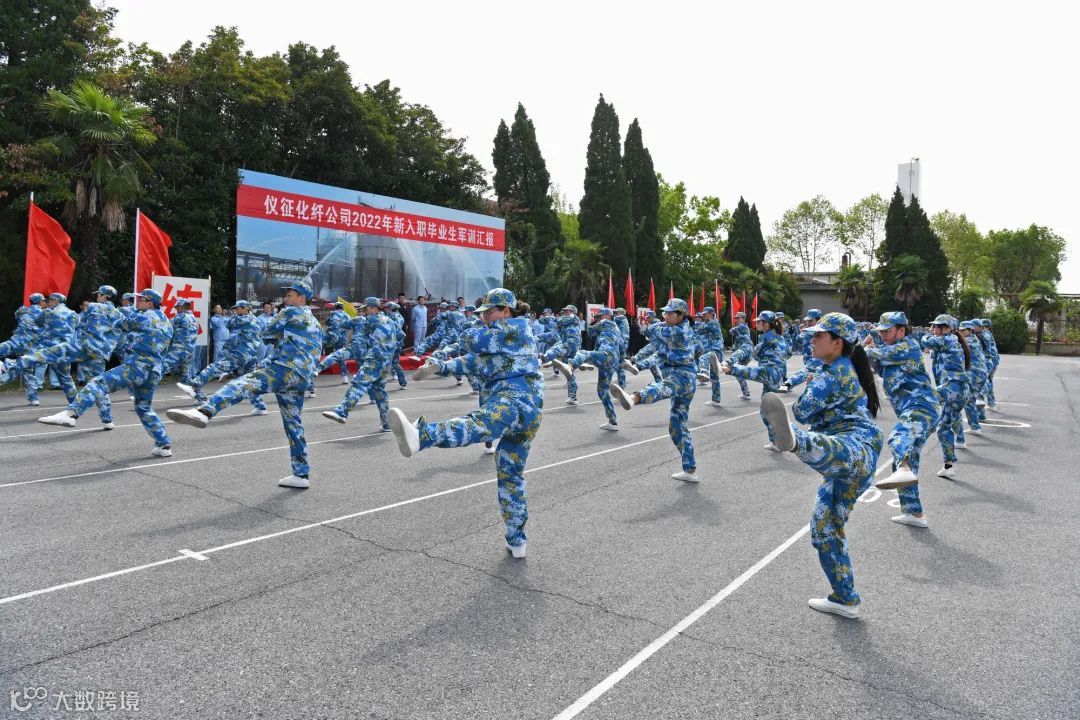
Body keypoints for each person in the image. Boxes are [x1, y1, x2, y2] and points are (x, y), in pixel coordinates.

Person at [388, 288, 543, 559]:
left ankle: (422, 435)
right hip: (529, 410)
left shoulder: (514, 328)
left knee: (477, 424)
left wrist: (466, 332)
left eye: (488, 312)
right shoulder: (504, 341)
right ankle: (516, 540)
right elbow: (477, 362)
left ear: (505, 310)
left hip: (515, 401)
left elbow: (470, 340)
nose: (484, 318)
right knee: (510, 474)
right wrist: (441, 367)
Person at [757, 312, 884, 619]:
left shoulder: (835, 372)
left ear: (837, 343)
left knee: (831, 448)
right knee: (823, 528)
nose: (811, 340)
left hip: (856, 448)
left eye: (818, 336)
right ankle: (845, 598)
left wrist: (807, 391)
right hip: (848, 461)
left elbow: (802, 410)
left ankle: (797, 442)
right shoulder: (838, 367)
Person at [167, 282, 323, 487]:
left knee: (243, 383)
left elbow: (266, 332)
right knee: (293, 424)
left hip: (286, 369)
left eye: (290, 295)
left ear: (302, 297)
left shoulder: (291, 312)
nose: (286, 299)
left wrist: (277, 333)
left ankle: (205, 411)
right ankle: (301, 474)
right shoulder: (316, 323)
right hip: (302, 378)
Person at [36, 289, 174, 457]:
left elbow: (120, 324)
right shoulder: (167, 323)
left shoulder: (142, 317)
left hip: (137, 367)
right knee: (143, 407)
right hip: (154, 371)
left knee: (97, 383)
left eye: (141, 300)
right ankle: (163, 444)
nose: (137, 302)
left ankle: (71, 414)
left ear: (150, 303)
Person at [863, 312, 942, 528]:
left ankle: (905, 470)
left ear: (901, 330)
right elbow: (877, 365)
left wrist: (866, 348)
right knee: (903, 462)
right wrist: (868, 351)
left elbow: (878, 354)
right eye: (881, 331)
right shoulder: (889, 351)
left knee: (899, 436)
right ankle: (914, 513)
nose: (883, 335)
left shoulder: (908, 346)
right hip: (914, 410)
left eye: (887, 331)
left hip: (921, 407)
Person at [2, 286, 121, 427]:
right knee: (97, 384)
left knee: (43, 355)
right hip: (100, 354)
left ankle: (7, 366)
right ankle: (107, 420)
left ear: (105, 296)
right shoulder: (118, 314)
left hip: (83, 347)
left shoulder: (93, 307)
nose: (97, 297)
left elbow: (81, 323)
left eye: (99, 294)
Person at [612, 298, 700, 482]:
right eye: (665, 313)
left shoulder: (680, 331)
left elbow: (650, 330)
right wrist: (638, 365)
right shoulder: (671, 331)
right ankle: (690, 469)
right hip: (682, 377)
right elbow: (658, 354)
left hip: (683, 377)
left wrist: (654, 325)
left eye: (670, 313)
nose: (666, 316)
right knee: (676, 427)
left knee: (661, 387)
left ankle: (634, 398)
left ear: (681, 315)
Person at [178, 300, 267, 415]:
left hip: (241, 353)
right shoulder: (255, 319)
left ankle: (195, 385)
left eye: (238, 308)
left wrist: (232, 317)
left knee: (215, 367)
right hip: (250, 356)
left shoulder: (243, 319)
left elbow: (229, 323)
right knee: (249, 381)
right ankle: (261, 407)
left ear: (246, 309)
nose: (236, 311)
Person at [321, 297, 396, 429]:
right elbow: (400, 335)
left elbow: (361, 338)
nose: (365, 311)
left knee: (359, 383)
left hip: (375, 358)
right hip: (387, 361)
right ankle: (386, 424)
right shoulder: (390, 320)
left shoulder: (370, 320)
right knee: (380, 391)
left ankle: (342, 412)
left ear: (373, 308)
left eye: (366, 308)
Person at [719, 310, 788, 449]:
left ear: (766, 324)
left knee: (749, 371)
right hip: (777, 375)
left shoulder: (766, 337)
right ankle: (776, 441)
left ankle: (728, 368)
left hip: (770, 372)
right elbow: (789, 353)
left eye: (759, 322)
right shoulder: (780, 337)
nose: (756, 324)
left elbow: (756, 355)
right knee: (766, 410)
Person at [551, 307, 622, 431]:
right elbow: (597, 349)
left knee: (582, 352)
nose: (598, 319)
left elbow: (590, 331)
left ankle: (570, 366)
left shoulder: (608, 323)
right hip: (611, 361)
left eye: (600, 317)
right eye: (597, 317)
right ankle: (612, 421)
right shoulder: (611, 330)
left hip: (607, 356)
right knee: (602, 391)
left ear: (608, 316)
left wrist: (592, 323)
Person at [921, 314, 971, 479]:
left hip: (952, 388)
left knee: (922, 402)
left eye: (939, 326)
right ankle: (949, 465)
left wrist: (929, 333)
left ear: (949, 328)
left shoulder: (948, 340)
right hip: (957, 389)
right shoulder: (949, 341)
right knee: (944, 425)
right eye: (934, 326)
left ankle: (909, 444)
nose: (935, 329)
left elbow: (925, 341)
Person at [0, 293, 47, 405]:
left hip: (16, 342)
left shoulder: (22, 310)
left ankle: (3, 366)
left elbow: (16, 315)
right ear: (40, 301)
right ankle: (34, 399)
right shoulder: (44, 313)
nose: (45, 303)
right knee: (29, 371)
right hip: (31, 347)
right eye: (44, 301)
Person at [539, 305, 583, 405]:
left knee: (556, 349)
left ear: (572, 311)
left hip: (571, 345)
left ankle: (543, 358)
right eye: (564, 311)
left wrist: (550, 318)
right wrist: (551, 319)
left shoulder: (573, 318)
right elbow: (556, 325)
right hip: (567, 344)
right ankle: (573, 397)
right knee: (569, 373)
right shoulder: (565, 322)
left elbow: (559, 321)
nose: (564, 313)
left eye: (567, 311)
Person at [958, 320, 989, 438]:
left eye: (963, 330)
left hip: (975, 374)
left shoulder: (969, 341)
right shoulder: (974, 339)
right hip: (980, 372)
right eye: (959, 330)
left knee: (969, 400)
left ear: (970, 330)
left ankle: (975, 427)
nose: (960, 332)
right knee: (972, 398)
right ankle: (979, 417)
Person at [781, 309, 822, 393]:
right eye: (808, 321)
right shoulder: (824, 330)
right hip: (814, 358)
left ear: (818, 320)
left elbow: (799, 339)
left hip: (815, 359)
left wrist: (802, 331)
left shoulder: (810, 331)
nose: (808, 323)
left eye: (811, 321)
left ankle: (784, 387)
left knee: (803, 374)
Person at [693, 306, 724, 407]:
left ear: (711, 314)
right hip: (711, 351)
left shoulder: (713, 322)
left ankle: (704, 372)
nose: (703, 316)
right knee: (714, 378)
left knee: (703, 358)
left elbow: (699, 330)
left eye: (705, 314)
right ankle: (716, 400)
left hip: (715, 351)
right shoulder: (707, 323)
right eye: (703, 314)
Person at [163, 298, 199, 384]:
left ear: (182, 307)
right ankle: (196, 389)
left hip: (178, 349)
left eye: (177, 307)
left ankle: (144, 388)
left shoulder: (180, 317)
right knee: (185, 375)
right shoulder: (193, 318)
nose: (176, 309)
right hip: (189, 350)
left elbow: (165, 325)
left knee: (162, 367)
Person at [728, 311, 753, 400]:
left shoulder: (742, 326)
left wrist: (735, 328)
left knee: (738, 372)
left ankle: (746, 393)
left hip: (744, 353)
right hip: (743, 353)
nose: (736, 319)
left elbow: (731, 331)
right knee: (739, 372)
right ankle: (746, 392)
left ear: (743, 319)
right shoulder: (742, 327)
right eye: (736, 318)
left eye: (738, 318)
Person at [976, 318, 1000, 410]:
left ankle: (982, 397)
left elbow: (985, 338)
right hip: (993, 360)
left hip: (990, 360)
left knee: (986, 379)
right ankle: (991, 403)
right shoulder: (987, 333)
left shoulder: (986, 333)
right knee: (988, 380)